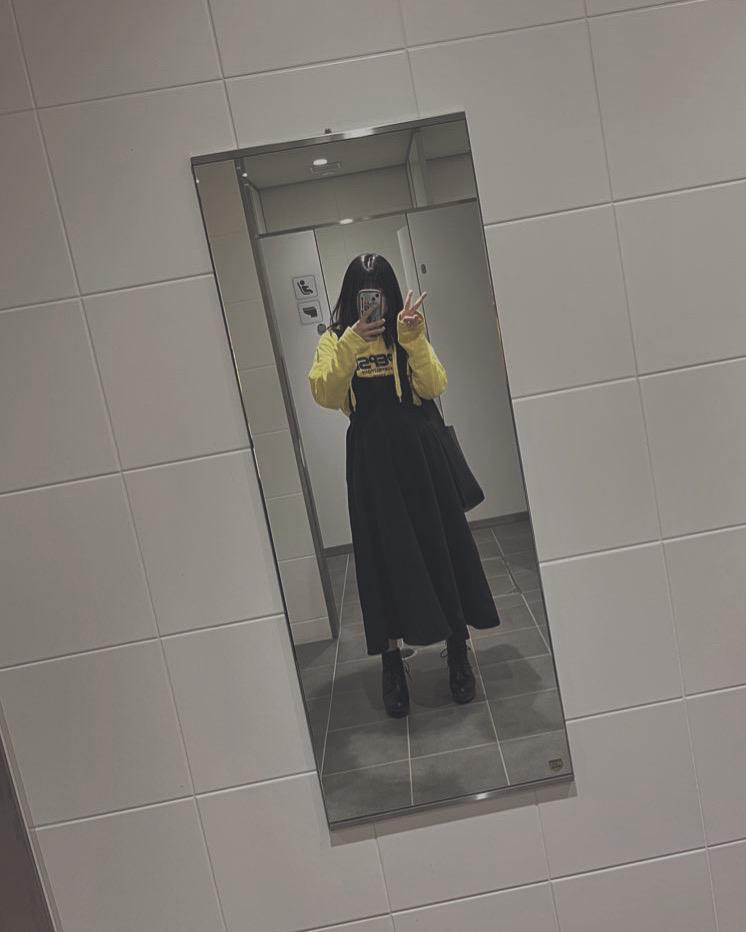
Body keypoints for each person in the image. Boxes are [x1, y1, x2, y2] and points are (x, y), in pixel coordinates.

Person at [309, 254, 500, 718]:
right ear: (351, 298)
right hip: (371, 463)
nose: (371, 304)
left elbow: (434, 386)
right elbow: (326, 394)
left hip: (420, 457)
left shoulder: (407, 332)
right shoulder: (334, 339)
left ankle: (458, 648)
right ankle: (391, 661)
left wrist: (413, 339)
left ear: (390, 294)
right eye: (363, 295)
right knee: (381, 557)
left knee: (441, 547)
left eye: (378, 293)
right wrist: (352, 342)